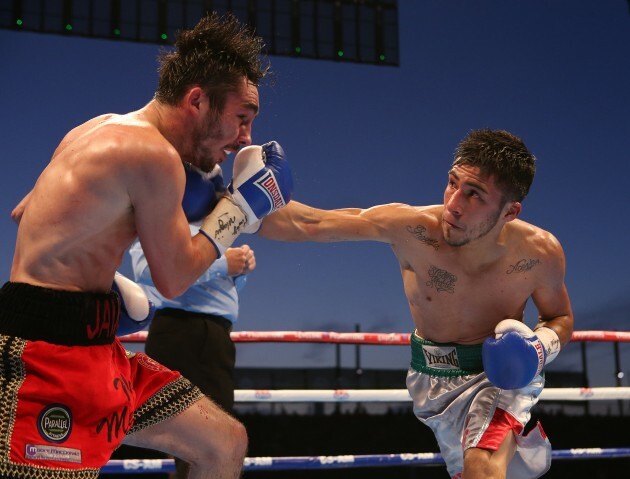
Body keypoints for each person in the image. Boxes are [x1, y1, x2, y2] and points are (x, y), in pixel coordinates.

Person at [2, 12, 292, 479]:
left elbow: (26, 210)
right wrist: (242, 208)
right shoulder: (153, 156)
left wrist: (97, 275)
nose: (245, 140)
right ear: (197, 100)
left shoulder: (98, 127)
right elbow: (174, 278)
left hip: (97, 345)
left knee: (224, 442)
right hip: (47, 355)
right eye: (241, 118)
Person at [257, 129, 574, 479]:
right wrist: (238, 202)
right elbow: (308, 223)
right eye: (452, 183)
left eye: (474, 195)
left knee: (482, 469)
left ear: (510, 211)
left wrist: (538, 350)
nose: (453, 204)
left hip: (497, 378)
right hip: (430, 379)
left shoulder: (539, 254)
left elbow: (559, 316)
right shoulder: (413, 229)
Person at [127, 164, 256, 478]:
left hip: (211, 336)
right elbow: (149, 272)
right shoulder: (158, 221)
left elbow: (219, 287)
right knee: (209, 439)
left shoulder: (213, 228)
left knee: (206, 441)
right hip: (184, 332)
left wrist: (239, 270)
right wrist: (223, 265)